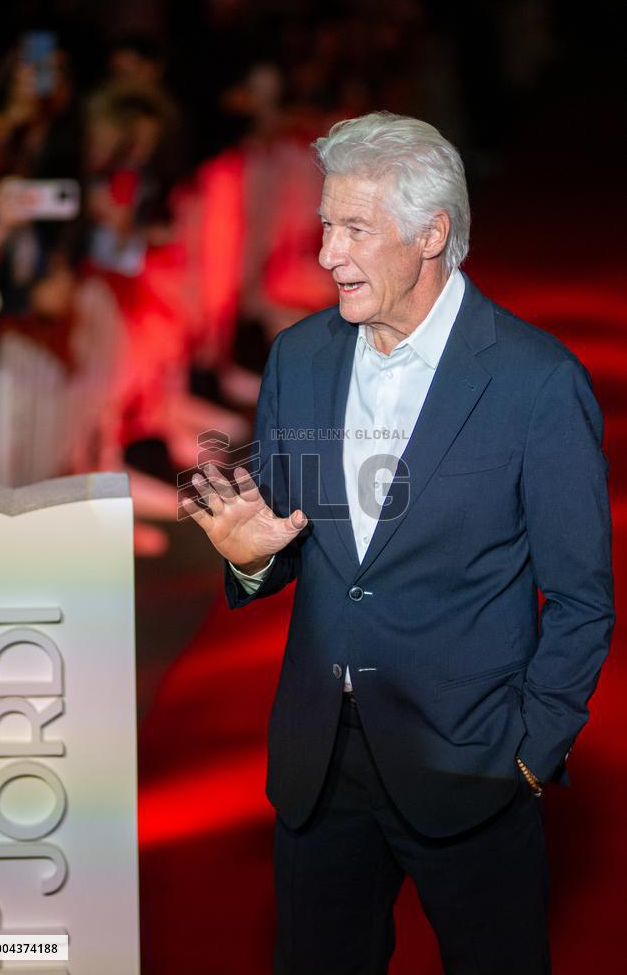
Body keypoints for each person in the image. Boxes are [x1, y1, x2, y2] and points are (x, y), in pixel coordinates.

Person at [180, 112, 614, 974]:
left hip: (473, 766)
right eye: (325, 227)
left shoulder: (537, 382)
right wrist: (252, 556)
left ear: (432, 234)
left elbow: (581, 602)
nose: (326, 255)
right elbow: (291, 542)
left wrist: (528, 755)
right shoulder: (299, 358)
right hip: (319, 761)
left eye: (354, 230)